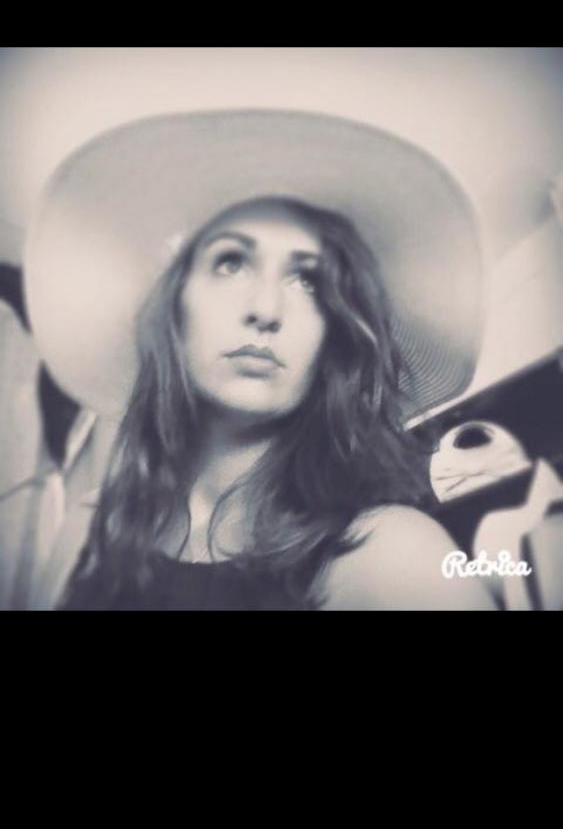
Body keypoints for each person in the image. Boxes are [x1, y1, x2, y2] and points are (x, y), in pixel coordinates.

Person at [25, 109, 496, 610]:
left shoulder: (391, 559)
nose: (266, 309)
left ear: (334, 335)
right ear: (175, 306)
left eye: (308, 280)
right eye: (231, 262)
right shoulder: (89, 528)